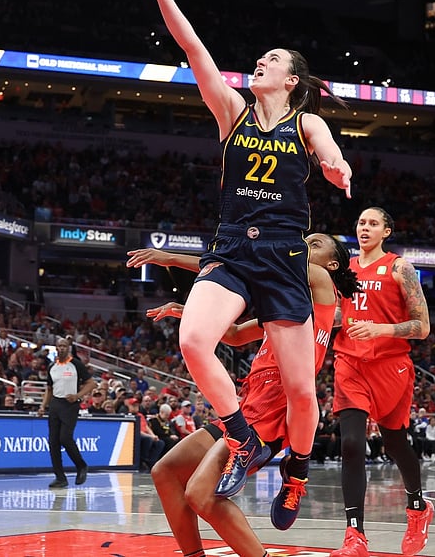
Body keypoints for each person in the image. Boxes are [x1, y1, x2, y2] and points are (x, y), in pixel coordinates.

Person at [144, 0, 354, 501]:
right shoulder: (231, 111)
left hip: (284, 255)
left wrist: (337, 168)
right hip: (234, 247)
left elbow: (330, 152)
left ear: (291, 80)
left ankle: (298, 472)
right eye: (260, 57)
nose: (260, 61)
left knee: (302, 391)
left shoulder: (306, 121)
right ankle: (243, 437)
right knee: (193, 340)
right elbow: (193, 48)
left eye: (273, 59)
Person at [143, 233, 358, 557]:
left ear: (333, 264)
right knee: (165, 471)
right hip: (247, 405)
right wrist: (187, 311)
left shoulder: (322, 286)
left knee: (201, 494)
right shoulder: (279, 309)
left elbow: (247, 263)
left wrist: (172, 259)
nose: (304, 245)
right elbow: (233, 334)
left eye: (315, 244)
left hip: (273, 410)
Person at [329, 207, 433, 557]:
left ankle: (418, 507)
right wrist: (320, 317)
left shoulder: (400, 268)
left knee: (395, 443)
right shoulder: (344, 269)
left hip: (391, 366)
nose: (365, 228)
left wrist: (380, 329)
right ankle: (354, 535)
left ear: (386, 231)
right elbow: (342, 311)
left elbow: (422, 326)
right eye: (361, 222)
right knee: (351, 443)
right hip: (349, 363)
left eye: (373, 223)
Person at [38, 335, 96, 488]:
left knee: (65, 438)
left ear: (68, 348)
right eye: (60, 346)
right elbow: (49, 389)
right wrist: (43, 406)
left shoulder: (76, 364)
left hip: (70, 404)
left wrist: (78, 395)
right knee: (53, 442)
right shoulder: (52, 366)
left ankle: (81, 465)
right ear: (56, 348)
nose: (62, 348)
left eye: (64, 346)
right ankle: (60, 477)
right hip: (55, 404)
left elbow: (91, 384)